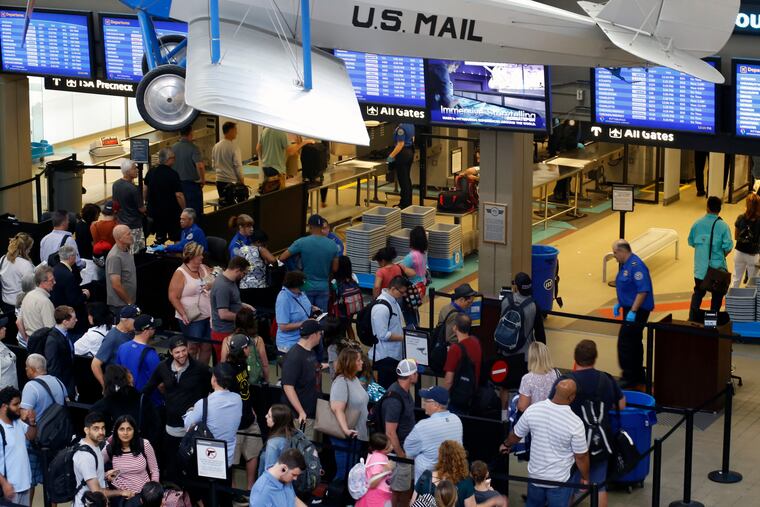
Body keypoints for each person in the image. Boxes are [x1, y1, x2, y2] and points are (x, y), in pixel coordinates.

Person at [501, 379, 589, 507]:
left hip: (535, 477)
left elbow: (515, 435)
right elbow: (581, 456)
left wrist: (506, 445)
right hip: (559, 481)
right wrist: (585, 477)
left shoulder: (533, 410)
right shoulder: (575, 423)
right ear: (572, 397)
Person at [563, 340, 625, 507]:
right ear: (595, 358)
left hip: (573, 442)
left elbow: (553, 406)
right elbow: (621, 404)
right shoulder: (607, 379)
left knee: (569, 486)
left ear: (575, 358)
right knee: (600, 486)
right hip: (601, 439)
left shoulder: (566, 382)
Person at [142, 336, 210, 483]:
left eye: (184, 350)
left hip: (192, 428)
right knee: (171, 463)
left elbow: (209, 388)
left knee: (191, 465)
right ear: (171, 352)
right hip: (170, 427)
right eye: (177, 352)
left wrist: (199, 406)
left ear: (188, 349)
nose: (181, 355)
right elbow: (148, 388)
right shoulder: (163, 367)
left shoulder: (200, 368)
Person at [183, 363, 242, 505]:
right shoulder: (237, 399)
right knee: (224, 498)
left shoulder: (204, 403)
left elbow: (187, 426)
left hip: (206, 461)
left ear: (214, 380)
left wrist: (190, 411)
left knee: (207, 497)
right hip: (227, 460)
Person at [497, 272, 546, 413]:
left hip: (505, 351)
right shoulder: (533, 305)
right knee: (523, 388)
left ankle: (504, 416)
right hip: (524, 355)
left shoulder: (506, 300)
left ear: (516, 287)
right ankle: (521, 417)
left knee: (504, 386)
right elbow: (540, 333)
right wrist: (542, 355)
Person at [19, 354, 67, 497]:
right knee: (51, 483)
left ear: (33, 370)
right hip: (55, 441)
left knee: (29, 481)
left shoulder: (31, 386)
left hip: (35, 441)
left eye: (27, 368)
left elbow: (24, 416)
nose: (26, 370)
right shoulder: (59, 382)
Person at [611, 239, 655, 388]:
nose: (614, 256)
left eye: (615, 253)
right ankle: (638, 374)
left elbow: (643, 291)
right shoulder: (627, 265)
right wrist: (621, 303)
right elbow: (629, 288)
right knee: (635, 341)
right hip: (630, 308)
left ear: (623, 251)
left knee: (625, 342)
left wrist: (633, 311)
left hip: (637, 310)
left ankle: (628, 376)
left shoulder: (636, 266)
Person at [225, 334, 264, 492]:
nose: (250, 349)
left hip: (249, 418)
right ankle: (233, 490)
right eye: (248, 347)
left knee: (253, 453)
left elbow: (245, 388)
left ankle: (250, 488)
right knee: (232, 460)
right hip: (235, 424)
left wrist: (251, 409)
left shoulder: (243, 365)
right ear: (243, 349)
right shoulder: (227, 371)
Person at [278, 214, 339, 312]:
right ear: (321, 227)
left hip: (305, 285)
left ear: (310, 226)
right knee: (321, 317)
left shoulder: (301, 242)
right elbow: (335, 269)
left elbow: (282, 258)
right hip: (324, 287)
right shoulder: (332, 244)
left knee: (305, 316)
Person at [167, 242, 214, 364]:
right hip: (192, 317)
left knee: (207, 347)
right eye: (200, 255)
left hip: (208, 316)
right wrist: (183, 314)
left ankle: (202, 372)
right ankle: (190, 373)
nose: (202, 257)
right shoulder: (180, 273)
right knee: (192, 348)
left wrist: (211, 284)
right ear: (192, 256)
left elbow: (214, 280)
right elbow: (173, 296)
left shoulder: (204, 268)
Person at [90, 365, 161, 446]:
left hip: (116, 448)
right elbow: (155, 426)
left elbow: (93, 413)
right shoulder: (142, 399)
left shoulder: (107, 401)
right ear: (128, 378)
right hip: (139, 446)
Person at [688, 196, 734, 322]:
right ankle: (711, 323)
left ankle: (692, 319)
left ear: (707, 208)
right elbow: (728, 247)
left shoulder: (697, 224)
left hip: (700, 271)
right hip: (717, 271)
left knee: (698, 292)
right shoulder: (723, 226)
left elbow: (691, 242)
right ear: (719, 209)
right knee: (717, 297)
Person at [73, 411, 133, 506]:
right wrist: (121, 492)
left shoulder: (94, 446)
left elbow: (90, 474)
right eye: (96, 429)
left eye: (103, 428)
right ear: (86, 430)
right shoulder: (85, 457)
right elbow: (97, 492)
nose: (101, 432)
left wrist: (105, 475)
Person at [404, 386, 463, 481]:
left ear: (436, 405)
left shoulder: (423, 426)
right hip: (450, 482)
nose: (423, 403)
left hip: (426, 484)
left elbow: (409, 451)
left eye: (426, 401)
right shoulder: (456, 420)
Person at [381, 358, 418, 507]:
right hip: (400, 453)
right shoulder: (395, 399)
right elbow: (390, 432)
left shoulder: (405, 392)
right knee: (398, 491)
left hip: (406, 451)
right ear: (411, 376)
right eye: (416, 373)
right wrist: (401, 455)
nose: (418, 375)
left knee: (405, 489)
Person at [329, 347, 370, 481]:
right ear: (350, 362)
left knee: (353, 473)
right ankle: (335, 499)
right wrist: (346, 429)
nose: (361, 362)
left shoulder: (354, 379)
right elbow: (337, 408)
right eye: (358, 360)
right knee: (344, 473)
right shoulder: (341, 382)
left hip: (357, 434)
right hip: (345, 436)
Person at [281, 319, 322, 437]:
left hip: (312, 412)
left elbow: (314, 367)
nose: (320, 337)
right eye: (319, 334)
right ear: (313, 335)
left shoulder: (310, 352)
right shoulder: (294, 356)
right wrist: (301, 412)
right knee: (302, 451)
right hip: (300, 417)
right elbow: (288, 386)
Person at [102, 415, 160, 496]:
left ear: (134, 430)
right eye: (121, 429)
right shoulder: (110, 449)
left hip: (144, 494)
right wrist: (106, 475)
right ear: (116, 431)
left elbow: (154, 471)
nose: (125, 433)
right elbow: (95, 471)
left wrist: (153, 492)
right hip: (121, 495)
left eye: (129, 429)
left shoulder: (144, 444)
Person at [210, 256, 252, 361]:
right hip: (224, 333)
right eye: (244, 273)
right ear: (237, 270)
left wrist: (243, 305)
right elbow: (223, 314)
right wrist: (243, 317)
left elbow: (230, 301)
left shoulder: (230, 281)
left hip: (231, 330)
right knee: (227, 365)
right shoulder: (223, 286)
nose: (244, 276)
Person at [0, 386, 36, 506]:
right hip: (9, 490)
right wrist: (4, 484)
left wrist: (32, 422)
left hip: (25, 485)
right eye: (15, 404)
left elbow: (30, 436)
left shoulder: (18, 422)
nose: (19, 408)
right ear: (4, 407)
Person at [411, 440, 475, 507]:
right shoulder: (466, 482)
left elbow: (413, 503)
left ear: (440, 457)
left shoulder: (425, 478)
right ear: (460, 459)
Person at [369, 276, 407, 389]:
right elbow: (382, 334)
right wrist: (403, 337)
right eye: (402, 292)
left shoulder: (393, 302)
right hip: (385, 357)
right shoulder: (382, 308)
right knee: (386, 390)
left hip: (394, 355)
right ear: (394, 289)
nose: (403, 295)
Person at [91, 305, 139, 389]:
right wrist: (105, 386)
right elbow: (95, 364)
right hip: (119, 384)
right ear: (125, 320)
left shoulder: (132, 332)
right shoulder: (113, 337)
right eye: (135, 319)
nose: (137, 322)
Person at [144, 147, 185, 244]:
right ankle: (176, 257)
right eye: (174, 158)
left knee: (160, 237)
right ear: (169, 159)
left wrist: (146, 202)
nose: (174, 160)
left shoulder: (151, 172)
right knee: (176, 237)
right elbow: (179, 195)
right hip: (171, 213)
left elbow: (145, 189)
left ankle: (160, 256)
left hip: (155, 212)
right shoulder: (173, 174)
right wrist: (184, 209)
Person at [443, 314, 482, 414]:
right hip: (472, 393)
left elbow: (448, 380)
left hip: (458, 397)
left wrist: (442, 397)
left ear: (455, 327)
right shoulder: (476, 341)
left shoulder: (455, 349)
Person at [115, 314, 162, 397]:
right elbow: (160, 384)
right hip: (148, 403)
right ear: (146, 331)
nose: (155, 330)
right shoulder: (151, 354)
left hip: (128, 398)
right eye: (153, 328)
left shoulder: (122, 347)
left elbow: (117, 373)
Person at [220, 308, 269, 382]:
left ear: (236, 322)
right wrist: (267, 381)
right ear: (252, 322)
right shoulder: (258, 340)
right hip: (253, 382)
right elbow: (265, 365)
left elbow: (223, 363)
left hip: (234, 381)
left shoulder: (227, 340)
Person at [275, 271, 317, 353]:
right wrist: (304, 323)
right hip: (289, 345)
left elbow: (302, 305)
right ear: (294, 286)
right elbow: (283, 327)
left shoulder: (300, 293)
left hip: (304, 340)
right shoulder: (283, 299)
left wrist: (312, 308)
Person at [50, 245, 90, 329]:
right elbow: (74, 301)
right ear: (71, 257)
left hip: (58, 312)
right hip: (69, 317)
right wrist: (85, 295)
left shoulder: (54, 269)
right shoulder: (68, 275)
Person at [112, 159, 147, 254]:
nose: (137, 170)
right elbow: (141, 209)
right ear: (128, 171)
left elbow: (115, 204)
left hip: (120, 224)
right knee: (135, 253)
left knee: (124, 251)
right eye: (134, 168)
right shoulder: (133, 189)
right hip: (134, 225)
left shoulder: (115, 185)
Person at [171, 124, 206, 216]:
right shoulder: (193, 148)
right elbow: (200, 166)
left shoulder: (173, 147)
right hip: (191, 186)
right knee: (194, 213)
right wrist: (202, 179)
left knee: (181, 212)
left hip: (177, 185)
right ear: (191, 133)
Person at [44, 305, 78, 396]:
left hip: (69, 380)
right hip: (63, 384)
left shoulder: (65, 334)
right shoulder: (53, 340)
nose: (76, 320)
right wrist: (59, 390)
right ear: (65, 322)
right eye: (73, 318)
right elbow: (53, 367)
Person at [516, 342, 559, 412]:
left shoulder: (527, 378)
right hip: (552, 416)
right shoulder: (556, 373)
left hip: (534, 418)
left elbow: (522, 407)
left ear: (531, 357)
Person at [0, 233, 34, 320]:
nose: (30, 251)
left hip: (5, 305)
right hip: (20, 306)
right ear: (24, 249)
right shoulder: (25, 264)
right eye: (29, 248)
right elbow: (31, 288)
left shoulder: (2, 259)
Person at [399, 226, 428, 327]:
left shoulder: (411, 257)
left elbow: (401, 269)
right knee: (415, 311)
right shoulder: (423, 254)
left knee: (409, 314)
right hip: (421, 287)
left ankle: (413, 332)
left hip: (411, 290)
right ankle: (418, 327)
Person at [106, 225, 137, 316]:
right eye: (128, 234)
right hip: (120, 305)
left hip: (128, 303)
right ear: (120, 238)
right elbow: (116, 285)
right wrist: (130, 303)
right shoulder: (115, 257)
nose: (131, 236)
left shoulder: (127, 249)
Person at [356, 432, 394, 507]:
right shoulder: (377, 460)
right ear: (379, 450)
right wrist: (386, 470)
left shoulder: (375, 454)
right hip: (376, 495)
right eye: (387, 448)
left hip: (378, 493)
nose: (391, 447)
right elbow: (372, 483)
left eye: (390, 444)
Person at [18, 264, 55, 338]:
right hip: (43, 343)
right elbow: (51, 330)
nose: (54, 282)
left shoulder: (27, 296)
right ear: (43, 282)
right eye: (51, 280)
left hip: (32, 342)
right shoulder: (45, 302)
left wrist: (26, 339)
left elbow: (19, 322)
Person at [733, 193, 760, 287]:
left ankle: (732, 299)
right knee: (753, 282)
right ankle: (751, 301)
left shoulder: (740, 218)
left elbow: (736, 237)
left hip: (739, 252)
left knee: (736, 279)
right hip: (753, 254)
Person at [260, 404, 296, 473]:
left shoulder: (273, 443)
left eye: (269, 416)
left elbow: (270, 472)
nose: (266, 416)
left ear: (277, 421)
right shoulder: (297, 433)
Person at [213, 121, 244, 198]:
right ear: (230, 131)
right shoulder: (234, 147)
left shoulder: (216, 146)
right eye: (235, 130)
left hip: (219, 181)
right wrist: (242, 181)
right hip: (231, 182)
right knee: (232, 206)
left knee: (223, 203)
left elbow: (213, 165)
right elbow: (238, 166)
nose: (237, 132)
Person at [387, 123, 415, 209]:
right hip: (410, 151)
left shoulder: (401, 128)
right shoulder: (411, 125)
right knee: (407, 178)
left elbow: (400, 144)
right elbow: (413, 139)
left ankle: (404, 204)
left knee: (403, 180)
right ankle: (408, 202)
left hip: (403, 154)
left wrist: (391, 156)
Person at [0, 317, 17, 388]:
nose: (5, 328)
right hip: (5, 395)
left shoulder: (1, 343)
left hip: (12, 390)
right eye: (1, 327)